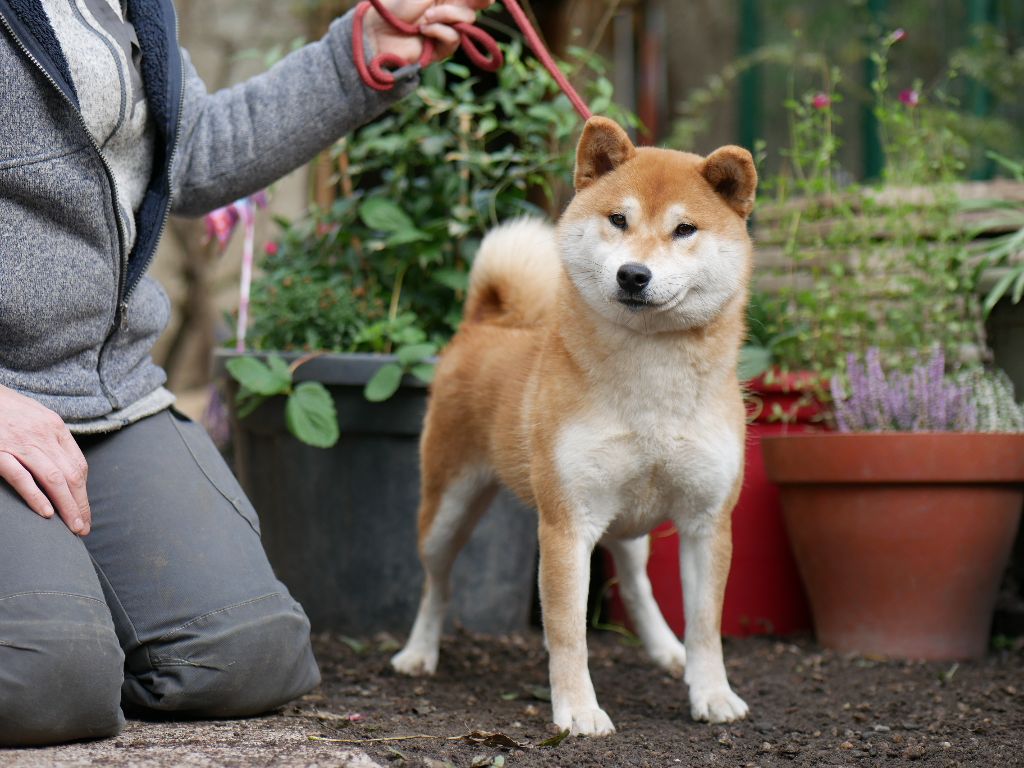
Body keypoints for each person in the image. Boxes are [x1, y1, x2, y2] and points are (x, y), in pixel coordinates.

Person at [0, 0, 491, 746]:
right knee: (47, 683)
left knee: (244, 655)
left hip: (102, 392)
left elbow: (189, 152)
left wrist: (359, 52)